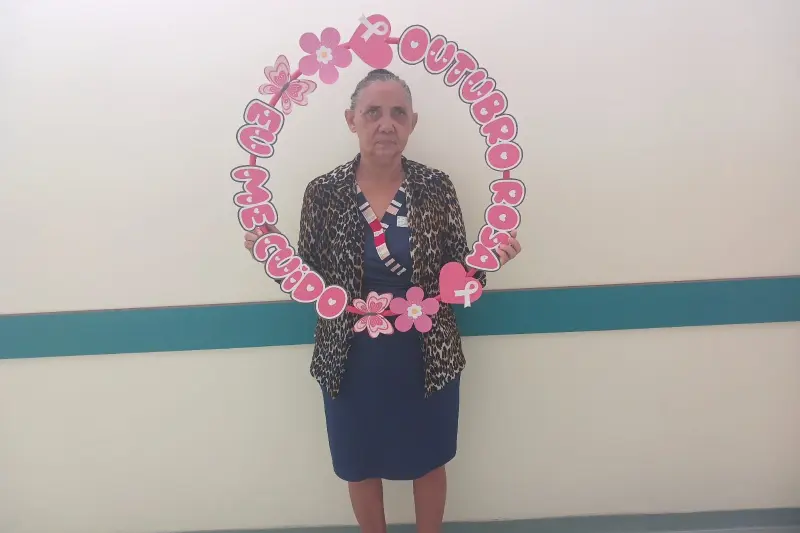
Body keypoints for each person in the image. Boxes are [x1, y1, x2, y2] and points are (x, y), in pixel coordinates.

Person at [244, 69, 521, 533]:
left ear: (413, 122)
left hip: (427, 354)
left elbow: (459, 273)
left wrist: (490, 261)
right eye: (373, 112)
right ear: (351, 120)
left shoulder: (435, 187)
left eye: (398, 113)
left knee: (428, 459)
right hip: (350, 356)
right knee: (359, 462)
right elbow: (309, 278)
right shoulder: (324, 193)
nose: (386, 124)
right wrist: (274, 251)